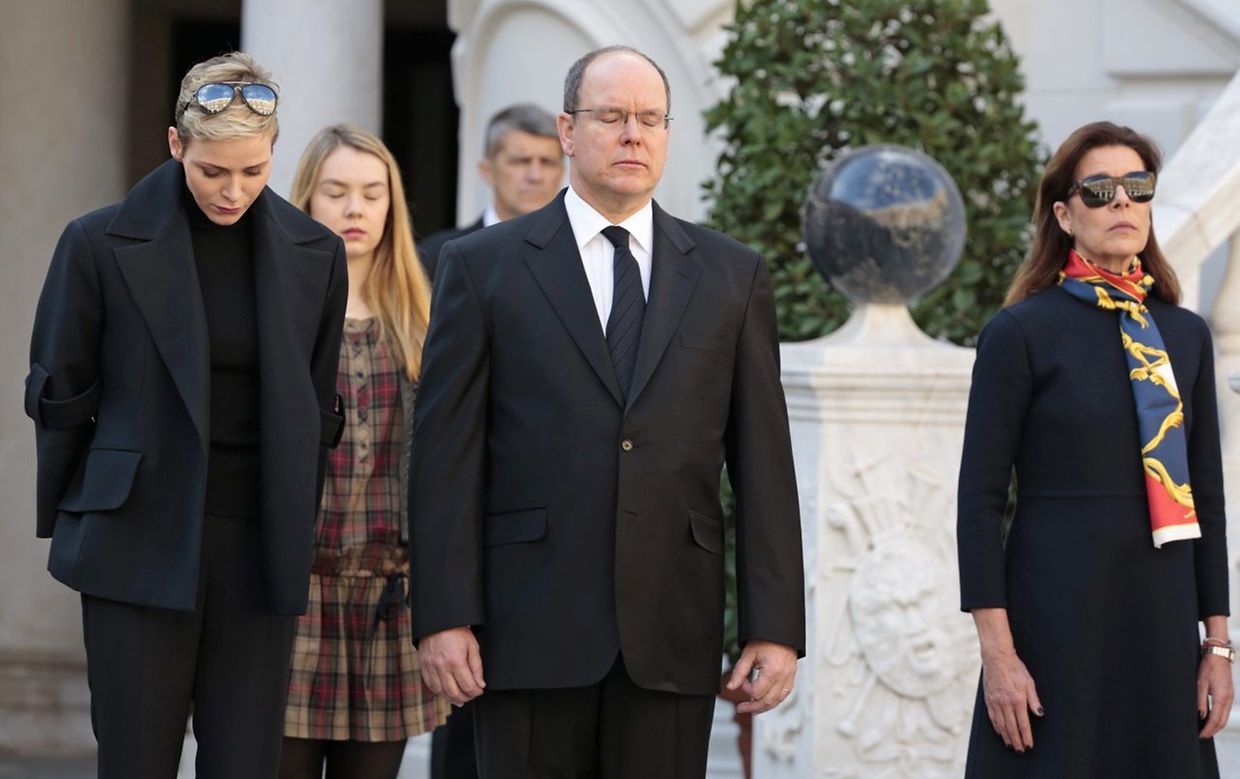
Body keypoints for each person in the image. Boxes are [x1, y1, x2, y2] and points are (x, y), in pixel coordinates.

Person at [408, 45, 806, 777]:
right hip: (524, 631)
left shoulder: (732, 275)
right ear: (568, 130)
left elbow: (764, 466)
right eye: (613, 116)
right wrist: (443, 613)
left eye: (651, 119)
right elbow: (444, 457)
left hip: (671, 632)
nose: (633, 135)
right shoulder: (482, 266)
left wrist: (774, 626)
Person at [24, 52, 347, 778]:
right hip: (135, 537)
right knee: (135, 760)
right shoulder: (95, 242)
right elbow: (61, 396)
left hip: (259, 547)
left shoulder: (317, 253)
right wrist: (82, 510)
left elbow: (315, 408)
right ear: (176, 144)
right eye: (212, 171)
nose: (234, 190)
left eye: (254, 170)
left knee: (246, 764)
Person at [957, 121, 1232, 777]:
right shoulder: (1019, 333)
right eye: (1101, 190)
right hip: (1056, 616)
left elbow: (1207, 499)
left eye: (1137, 186)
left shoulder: (1186, 335)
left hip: (1161, 617)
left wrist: (1217, 647)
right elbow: (979, 503)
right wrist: (999, 655)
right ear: (1065, 214)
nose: (1122, 202)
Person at [279, 124, 449, 779]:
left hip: (388, 603)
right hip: (291, 599)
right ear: (307, 200)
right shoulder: (277, 313)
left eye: (373, 193)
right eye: (337, 191)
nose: (356, 208)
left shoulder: (427, 320)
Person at [417, 102, 564, 278]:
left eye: (548, 162)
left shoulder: (580, 253)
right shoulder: (437, 256)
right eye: (520, 161)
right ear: (487, 171)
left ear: (562, 171)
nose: (535, 176)